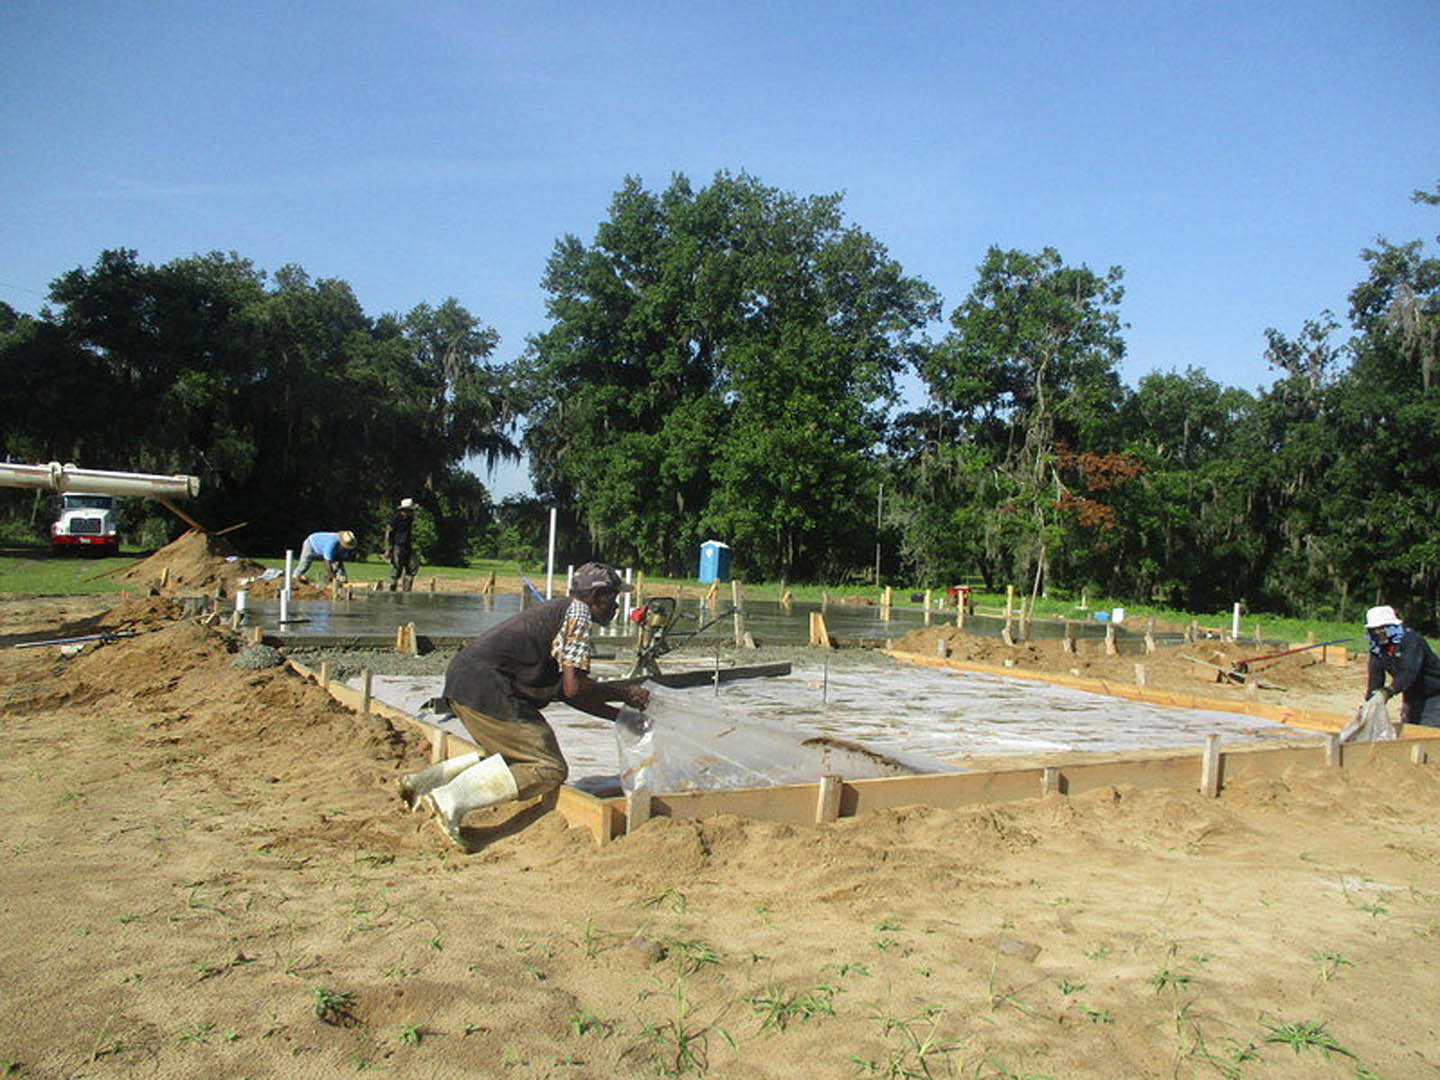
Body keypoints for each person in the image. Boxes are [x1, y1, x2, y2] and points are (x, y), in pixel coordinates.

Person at [401, 562, 651, 848]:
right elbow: (575, 687)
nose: (616, 607)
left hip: (468, 680)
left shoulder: (562, 611)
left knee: (514, 756)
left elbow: (567, 692)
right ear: (596, 597)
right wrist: (626, 693)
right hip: (488, 686)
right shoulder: (578, 616)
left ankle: (424, 784)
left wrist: (618, 716)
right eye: (613, 598)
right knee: (547, 768)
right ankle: (449, 801)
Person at [1363, 604, 1440, 728]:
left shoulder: (1411, 641)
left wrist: (1388, 692)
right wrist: (1371, 700)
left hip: (1434, 693)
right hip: (1412, 693)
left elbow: (1408, 672)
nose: (1378, 633)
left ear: (1393, 626)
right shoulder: (1378, 648)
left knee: (1427, 731)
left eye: (1382, 628)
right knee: (1408, 728)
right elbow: (1375, 675)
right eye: (1374, 630)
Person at [291, 530, 356, 585]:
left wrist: (340, 573)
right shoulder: (331, 543)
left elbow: (339, 560)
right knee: (304, 565)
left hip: (323, 548)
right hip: (311, 544)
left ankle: (340, 580)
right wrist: (332, 576)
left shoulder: (345, 547)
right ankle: (294, 579)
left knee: (336, 567)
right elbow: (327, 561)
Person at [382, 498, 419, 592]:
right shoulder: (396, 518)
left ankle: (406, 591)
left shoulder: (410, 519)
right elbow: (388, 533)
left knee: (412, 567)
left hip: (407, 545)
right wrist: (387, 549)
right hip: (397, 545)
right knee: (397, 568)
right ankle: (392, 590)